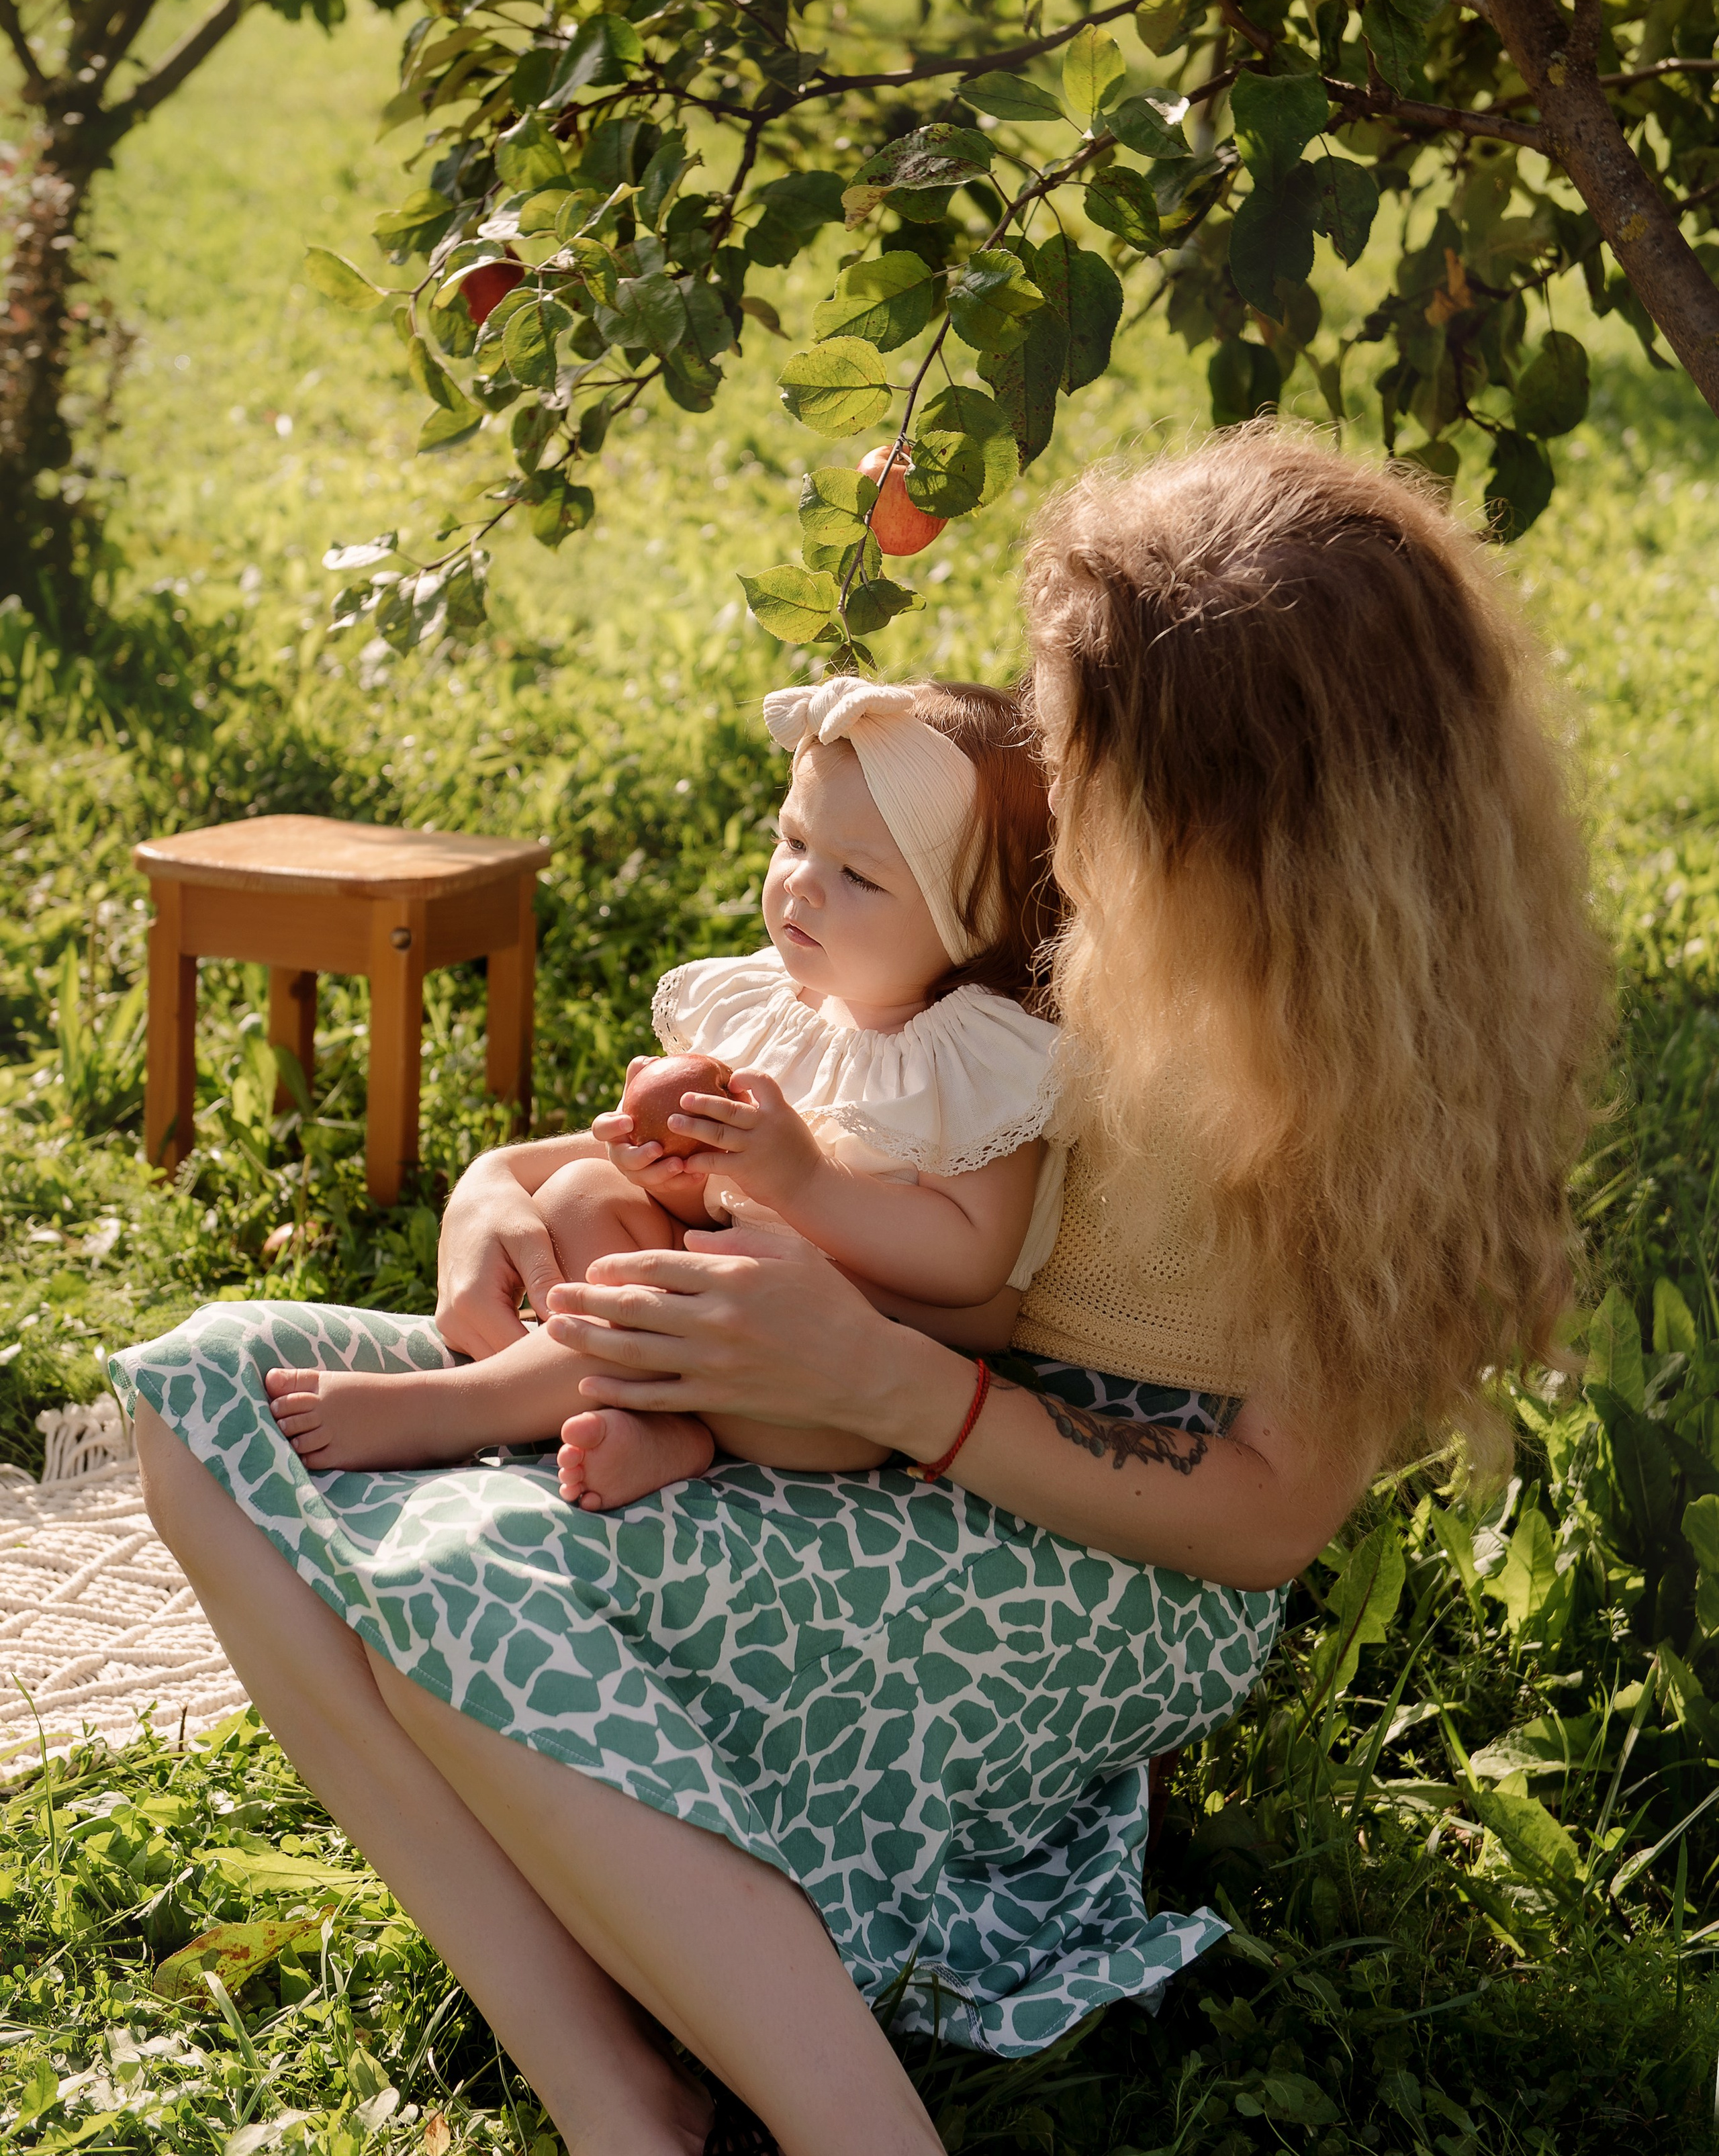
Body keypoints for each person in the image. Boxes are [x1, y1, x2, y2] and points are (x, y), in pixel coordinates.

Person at [121, 432, 1608, 2156]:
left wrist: (888, 1385)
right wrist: (509, 1180)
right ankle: (624, 2090)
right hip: (850, 1398)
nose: (1040, 774)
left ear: (1241, 802)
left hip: (1090, 1558)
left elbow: (1265, 1519)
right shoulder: (1073, 920)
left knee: (471, 1576)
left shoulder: (1350, 1068)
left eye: (1080, 740)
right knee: (203, 1391)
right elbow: (838, 1123)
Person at [260, 677, 1068, 1509]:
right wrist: (667, 1171)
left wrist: (800, 1183)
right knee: (582, 1194)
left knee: (691, 1292)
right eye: (794, 842)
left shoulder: (981, 1057)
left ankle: (456, 1410)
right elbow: (706, 1198)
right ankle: (660, 1428)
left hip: (838, 1381)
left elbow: (973, 1269)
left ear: (978, 917)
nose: (802, 885)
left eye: (859, 876)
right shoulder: (772, 1003)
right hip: (719, 1342)